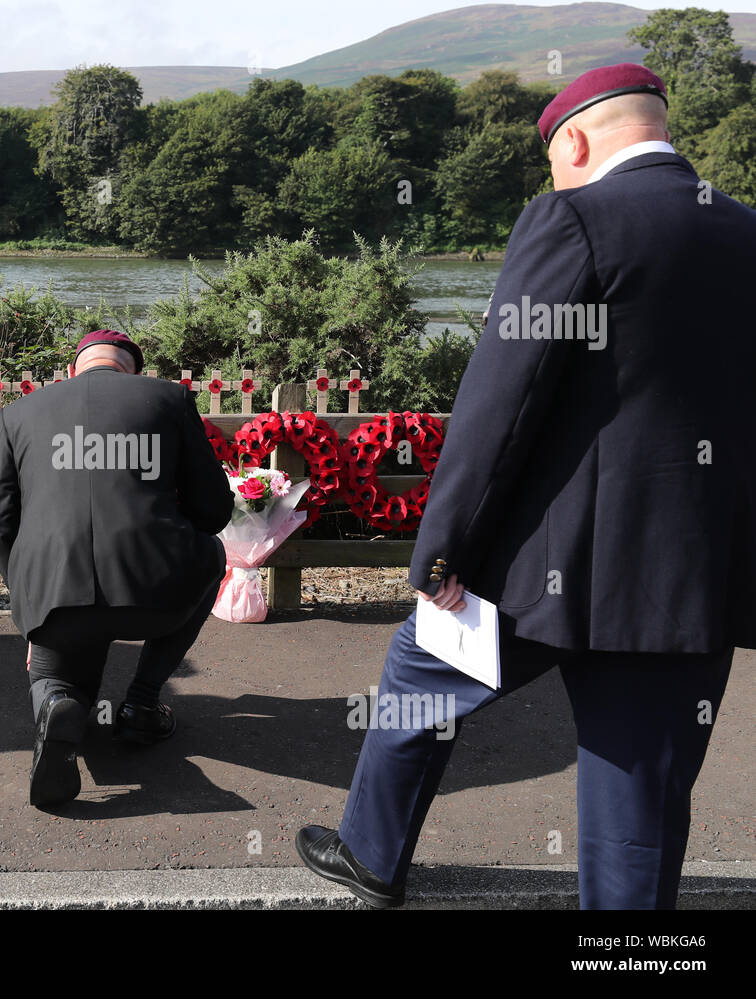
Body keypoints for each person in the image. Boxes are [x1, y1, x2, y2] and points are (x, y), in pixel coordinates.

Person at [295, 63, 756, 909]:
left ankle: (370, 854)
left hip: (548, 563)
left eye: (553, 159)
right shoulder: (746, 231)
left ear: (573, 140)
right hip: (689, 578)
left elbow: (499, 405)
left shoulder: (574, 216)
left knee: (418, 677)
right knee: (639, 794)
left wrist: (443, 551)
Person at [0, 330, 233, 807]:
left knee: (51, 677)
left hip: (53, 593)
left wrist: (27, 599)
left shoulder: (18, 413)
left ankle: (59, 705)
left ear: (72, 371)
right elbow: (214, 511)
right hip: (156, 592)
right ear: (133, 370)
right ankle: (141, 702)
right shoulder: (170, 398)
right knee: (213, 553)